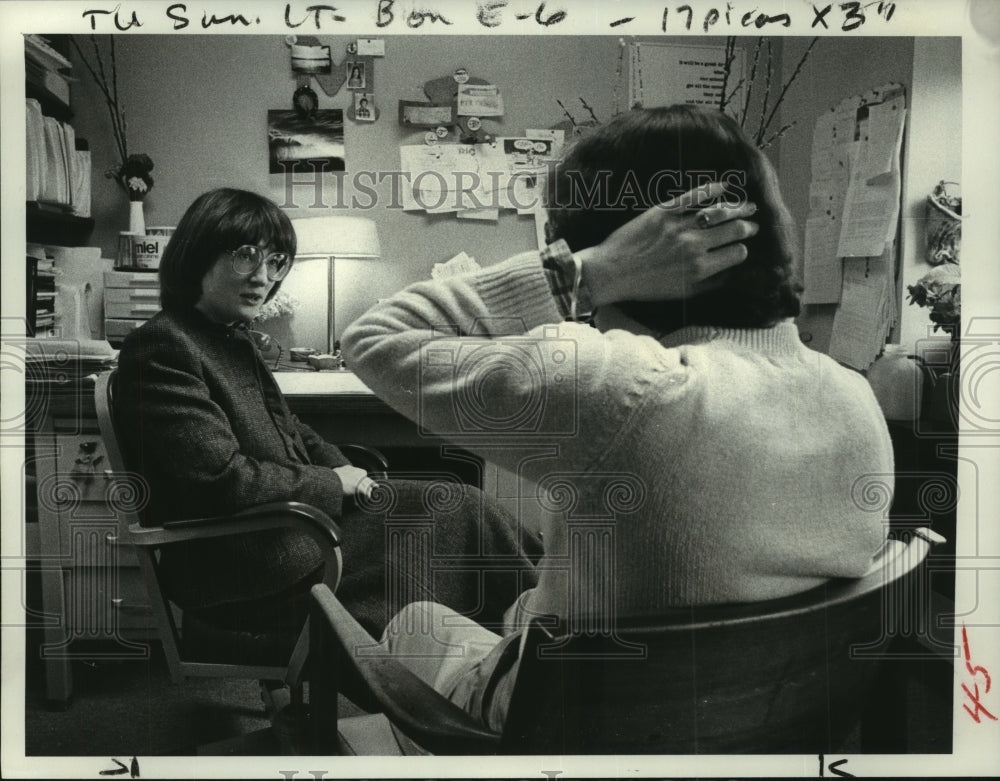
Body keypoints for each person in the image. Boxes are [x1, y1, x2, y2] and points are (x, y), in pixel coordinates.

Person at [341, 105, 893, 733]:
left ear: (639, 250)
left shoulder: (617, 385)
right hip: (752, 730)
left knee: (415, 621)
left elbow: (375, 336)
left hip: (569, 731)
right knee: (525, 604)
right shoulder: (855, 397)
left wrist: (588, 271)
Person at [115, 187, 542, 646]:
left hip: (287, 532)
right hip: (247, 564)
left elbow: (291, 428)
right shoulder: (164, 346)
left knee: (461, 505)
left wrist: (341, 467)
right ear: (197, 253)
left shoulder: (228, 338)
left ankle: (551, 619)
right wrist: (332, 485)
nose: (263, 276)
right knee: (458, 515)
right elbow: (221, 479)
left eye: (275, 261)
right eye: (245, 256)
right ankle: (550, 639)